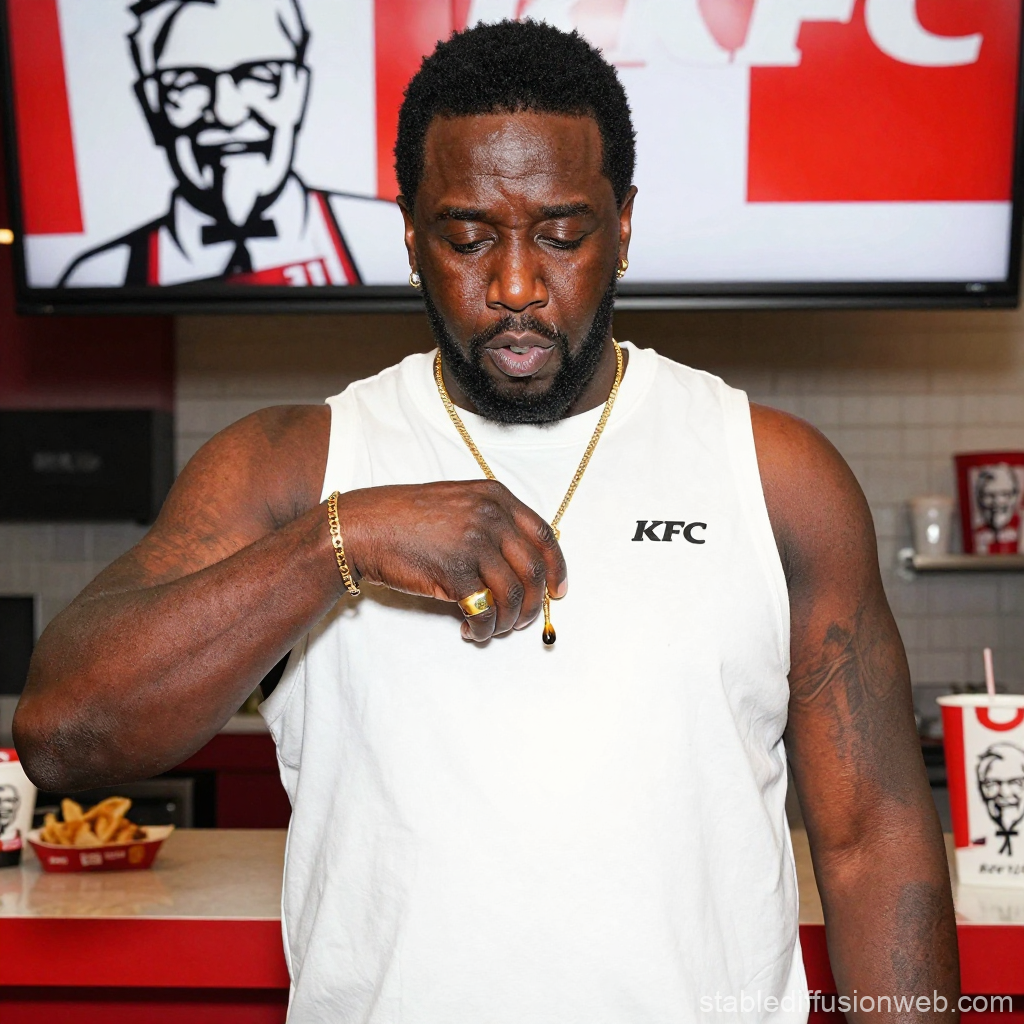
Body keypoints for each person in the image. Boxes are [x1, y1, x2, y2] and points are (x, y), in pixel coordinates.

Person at [17, 20, 958, 1023]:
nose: (514, 286)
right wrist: (339, 542)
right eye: (468, 236)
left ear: (625, 225)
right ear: (412, 234)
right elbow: (63, 730)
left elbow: (870, 842)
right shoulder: (295, 466)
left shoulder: (774, 475)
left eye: (561, 232)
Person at [59, 0, 406, 288]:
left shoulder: (386, 240)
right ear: (151, 106)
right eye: (187, 82)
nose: (227, 113)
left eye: (260, 76)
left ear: (299, 92)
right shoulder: (100, 274)